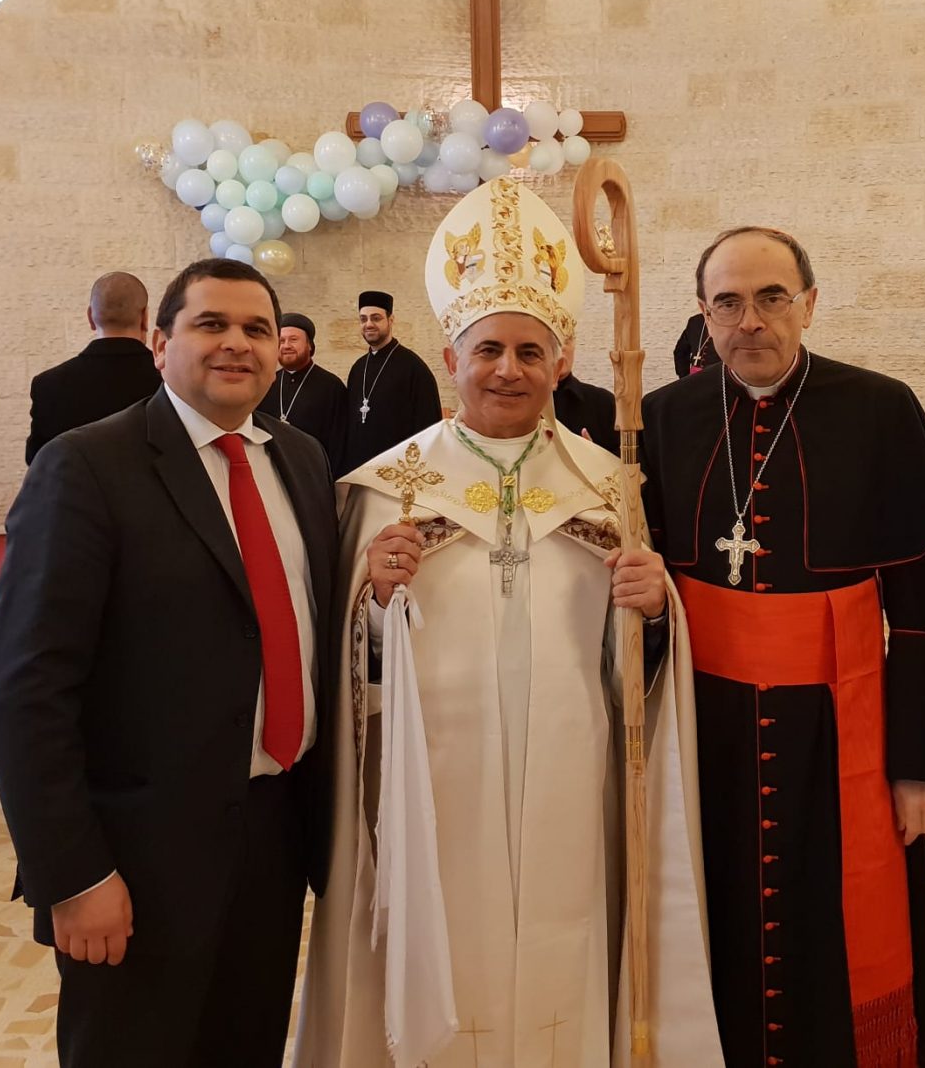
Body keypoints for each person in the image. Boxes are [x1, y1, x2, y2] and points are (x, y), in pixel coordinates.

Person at [295, 178, 722, 1068]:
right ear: (450, 356)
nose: (508, 369)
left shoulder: (609, 486)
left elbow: (638, 667)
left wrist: (656, 610)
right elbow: (341, 669)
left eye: (532, 351)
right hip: (430, 782)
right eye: (488, 348)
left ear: (560, 364)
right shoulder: (384, 490)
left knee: (569, 939)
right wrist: (373, 602)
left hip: (575, 771)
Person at [0, 258, 338, 1068]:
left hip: (275, 836)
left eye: (256, 328)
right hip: (136, 858)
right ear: (159, 343)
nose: (237, 343)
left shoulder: (301, 458)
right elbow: (23, 690)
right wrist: (73, 876)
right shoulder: (87, 466)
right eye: (211, 324)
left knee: (245, 1048)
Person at [632, 225, 925, 1067]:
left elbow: (921, 612)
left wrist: (919, 764)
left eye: (772, 297)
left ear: (808, 304)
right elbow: (643, 590)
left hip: (842, 731)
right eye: (729, 302)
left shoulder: (881, 409)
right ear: (703, 314)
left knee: (832, 937)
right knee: (715, 921)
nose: (751, 320)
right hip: (704, 730)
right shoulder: (661, 419)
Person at [26, 271, 162, 463]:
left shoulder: (47, 385)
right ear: (145, 317)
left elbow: (38, 462)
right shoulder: (169, 379)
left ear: (90, 316)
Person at [343, 289, 442, 472]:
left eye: (376, 318)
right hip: (360, 471)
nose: (369, 324)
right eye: (363, 319)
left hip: (399, 472)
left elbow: (429, 427)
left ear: (391, 320)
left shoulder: (414, 368)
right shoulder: (358, 368)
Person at [258, 312, 348, 473]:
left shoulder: (331, 386)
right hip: (270, 471)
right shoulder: (267, 383)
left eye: (293, 339)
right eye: (281, 341)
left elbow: (339, 443)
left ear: (310, 345)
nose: (286, 346)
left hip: (314, 472)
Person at [552, 332, 619, 454]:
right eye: (555, 340)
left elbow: (628, 460)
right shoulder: (521, 402)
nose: (563, 348)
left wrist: (594, 459)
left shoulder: (603, 403)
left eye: (566, 341)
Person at [672, 310, 720, 378]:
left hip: (717, 377)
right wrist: (684, 377)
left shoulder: (731, 323)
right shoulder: (695, 321)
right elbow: (680, 351)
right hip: (693, 378)